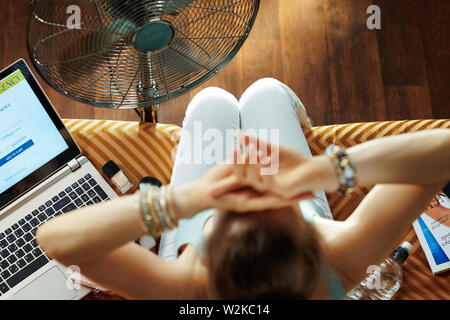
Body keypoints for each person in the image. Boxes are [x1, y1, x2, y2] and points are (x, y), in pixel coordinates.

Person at [36, 78, 450, 299]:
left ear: (205, 253)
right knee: (264, 91)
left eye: (230, 209)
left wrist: (181, 199)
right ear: (311, 234)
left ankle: (215, 124)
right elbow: (441, 150)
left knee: (210, 101)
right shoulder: (339, 261)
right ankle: (286, 110)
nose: (248, 173)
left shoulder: (185, 286)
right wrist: (323, 169)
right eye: (270, 198)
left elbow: (55, 239)